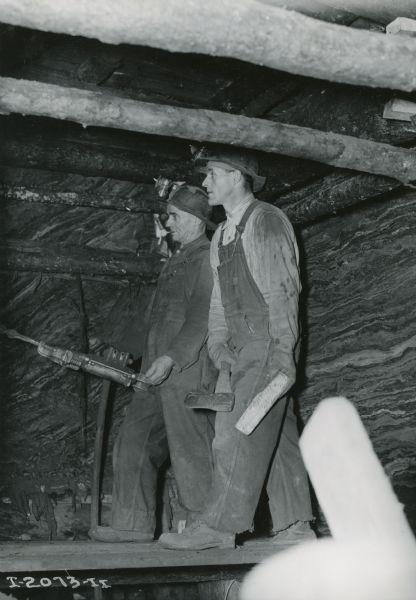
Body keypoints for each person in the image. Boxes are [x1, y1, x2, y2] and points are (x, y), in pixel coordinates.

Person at [159, 148, 314, 550]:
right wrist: (215, 343)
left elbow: (283, 292)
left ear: (236, 176)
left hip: (267, 342)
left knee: (235, 431)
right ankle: (296, 524)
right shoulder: (223, 235)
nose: (206, 183)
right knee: (275, 428)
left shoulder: (266, 222)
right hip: (241, 348)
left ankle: (219, 526)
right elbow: (216, 303)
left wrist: (283, 351)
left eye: (212, 174)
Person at [89, 185, 217, 542]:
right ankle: (132, 525)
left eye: (174, 216)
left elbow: (201, 316)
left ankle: (203, 526)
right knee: (133, 441)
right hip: (155, 371)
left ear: (194, 219)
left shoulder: (207, 257)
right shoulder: (176, 261)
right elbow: (156, 318)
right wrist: (124, 347)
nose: (168, 222)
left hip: (188, 370)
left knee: (191, 448)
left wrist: (172, 357)